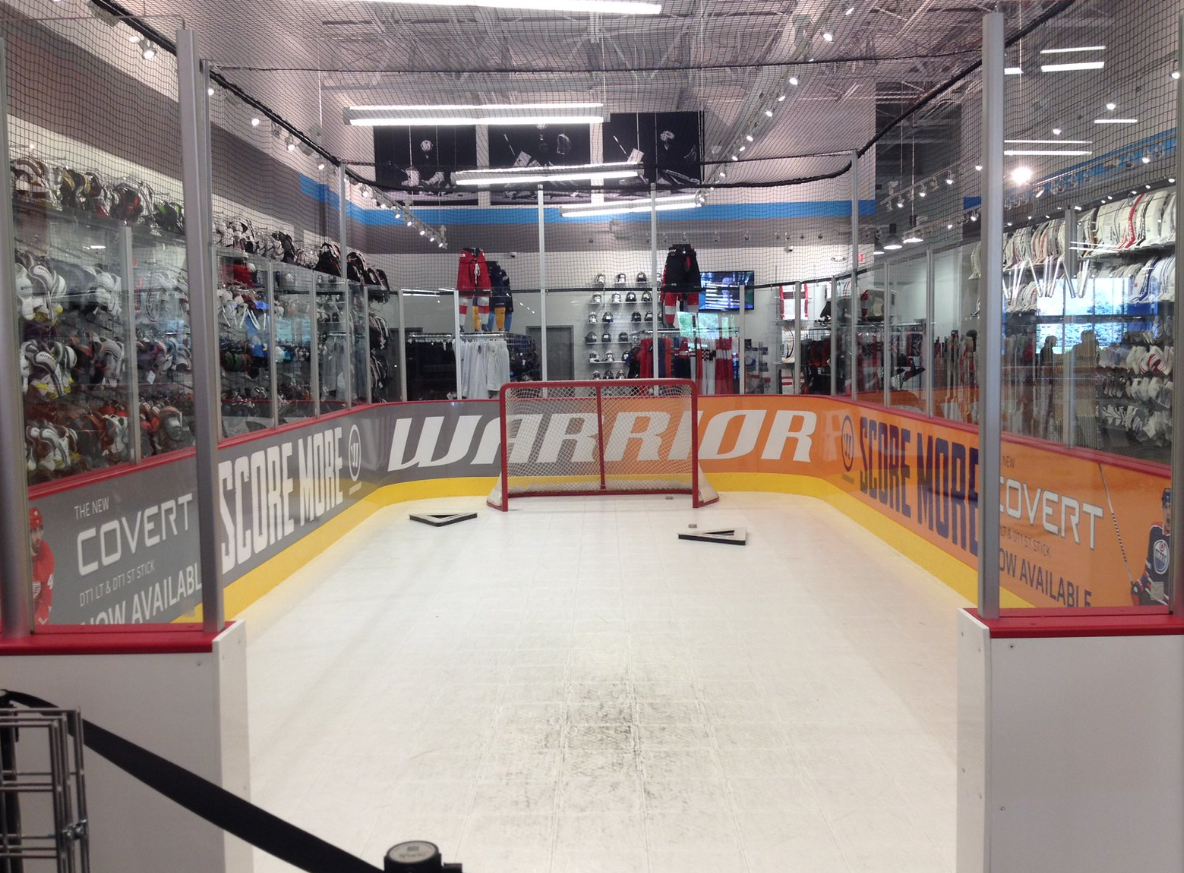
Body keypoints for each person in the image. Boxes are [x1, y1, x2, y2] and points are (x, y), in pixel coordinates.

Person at [1133, 488, 1171, 606]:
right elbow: (1149, 568)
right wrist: (1140, 583)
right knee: (1136, 593)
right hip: (1157, 590)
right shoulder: (1155, 530)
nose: (1168, 512)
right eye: (1165, 506)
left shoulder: (1180, 539)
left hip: (1172, 600)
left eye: (1172, 507)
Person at [29, 506, 54, 625]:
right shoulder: (10, 558)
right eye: (33, 531)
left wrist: (35, 624)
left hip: (37, 625)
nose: (38, 536)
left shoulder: (45, 552)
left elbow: (46, 602)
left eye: (40, 530)